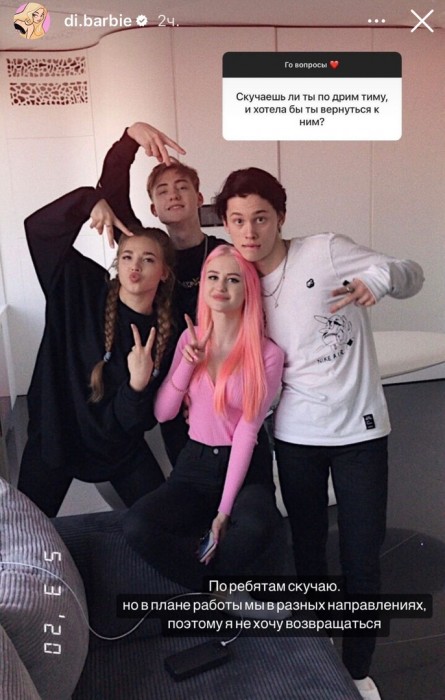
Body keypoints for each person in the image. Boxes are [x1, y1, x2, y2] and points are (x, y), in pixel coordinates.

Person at [214, 167, 424, 700]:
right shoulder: (240, 279)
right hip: (295, 436)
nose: (249, 231)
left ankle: (357, 670)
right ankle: (321, 649)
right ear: (227, 225)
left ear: (280, 217)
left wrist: (378, 281)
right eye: (237, 220)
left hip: (359, 432)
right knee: (306, 552)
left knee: (361, 556)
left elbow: (411, 273)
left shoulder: (325, 251)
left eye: (260, 218)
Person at [18, 134, 183, 517]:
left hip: (118, 448)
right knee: (23, 530)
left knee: (162, 523)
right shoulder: (79, 287)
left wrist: (138, 385)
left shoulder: (167, 332)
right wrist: (86, 200)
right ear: (117, 262)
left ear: (164, 272)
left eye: (147, 259)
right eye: (127, 256)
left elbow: (137, 421)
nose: (135, 266)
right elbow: (38, 229)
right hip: (56, 437)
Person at [123, 245, 285, 594]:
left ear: (248, 290)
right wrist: (187, 363)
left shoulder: (268, 354)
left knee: (256, 526)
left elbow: (247, 433)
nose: (220, 287)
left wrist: (223, 512)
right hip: (194, 465)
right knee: (136, 524)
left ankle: (213, 582)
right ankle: (215, 590)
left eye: (233, 280)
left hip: (245, 466)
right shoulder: (189, 338)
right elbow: (163, 413)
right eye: (213, 277)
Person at [99, 122, 228, 464]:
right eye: (163, 190)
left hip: (225, 383)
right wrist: (130, 137)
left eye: (182, 187)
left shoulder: (225, 253)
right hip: (173, 389)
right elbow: (112, 192)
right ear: (154, 209)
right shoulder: (149, 253)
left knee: (235, 475)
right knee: (188, 478)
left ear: (199, 199)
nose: (173, 195)